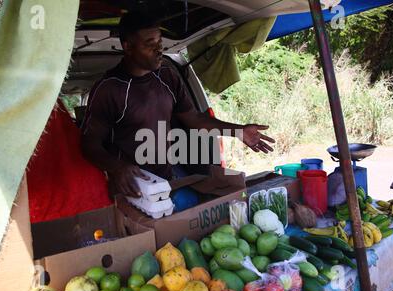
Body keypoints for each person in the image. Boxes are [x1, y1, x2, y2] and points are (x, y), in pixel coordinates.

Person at [81, 11, 275, 199]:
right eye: (150, 44)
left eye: (160, 42)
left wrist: (238, 131)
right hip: (132, 188)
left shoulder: (166, 74)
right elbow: (89, 144)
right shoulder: (109, 88)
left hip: (167, 179)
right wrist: (117, 167)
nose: (159, 50)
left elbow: (194, 118)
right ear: (128, 47)